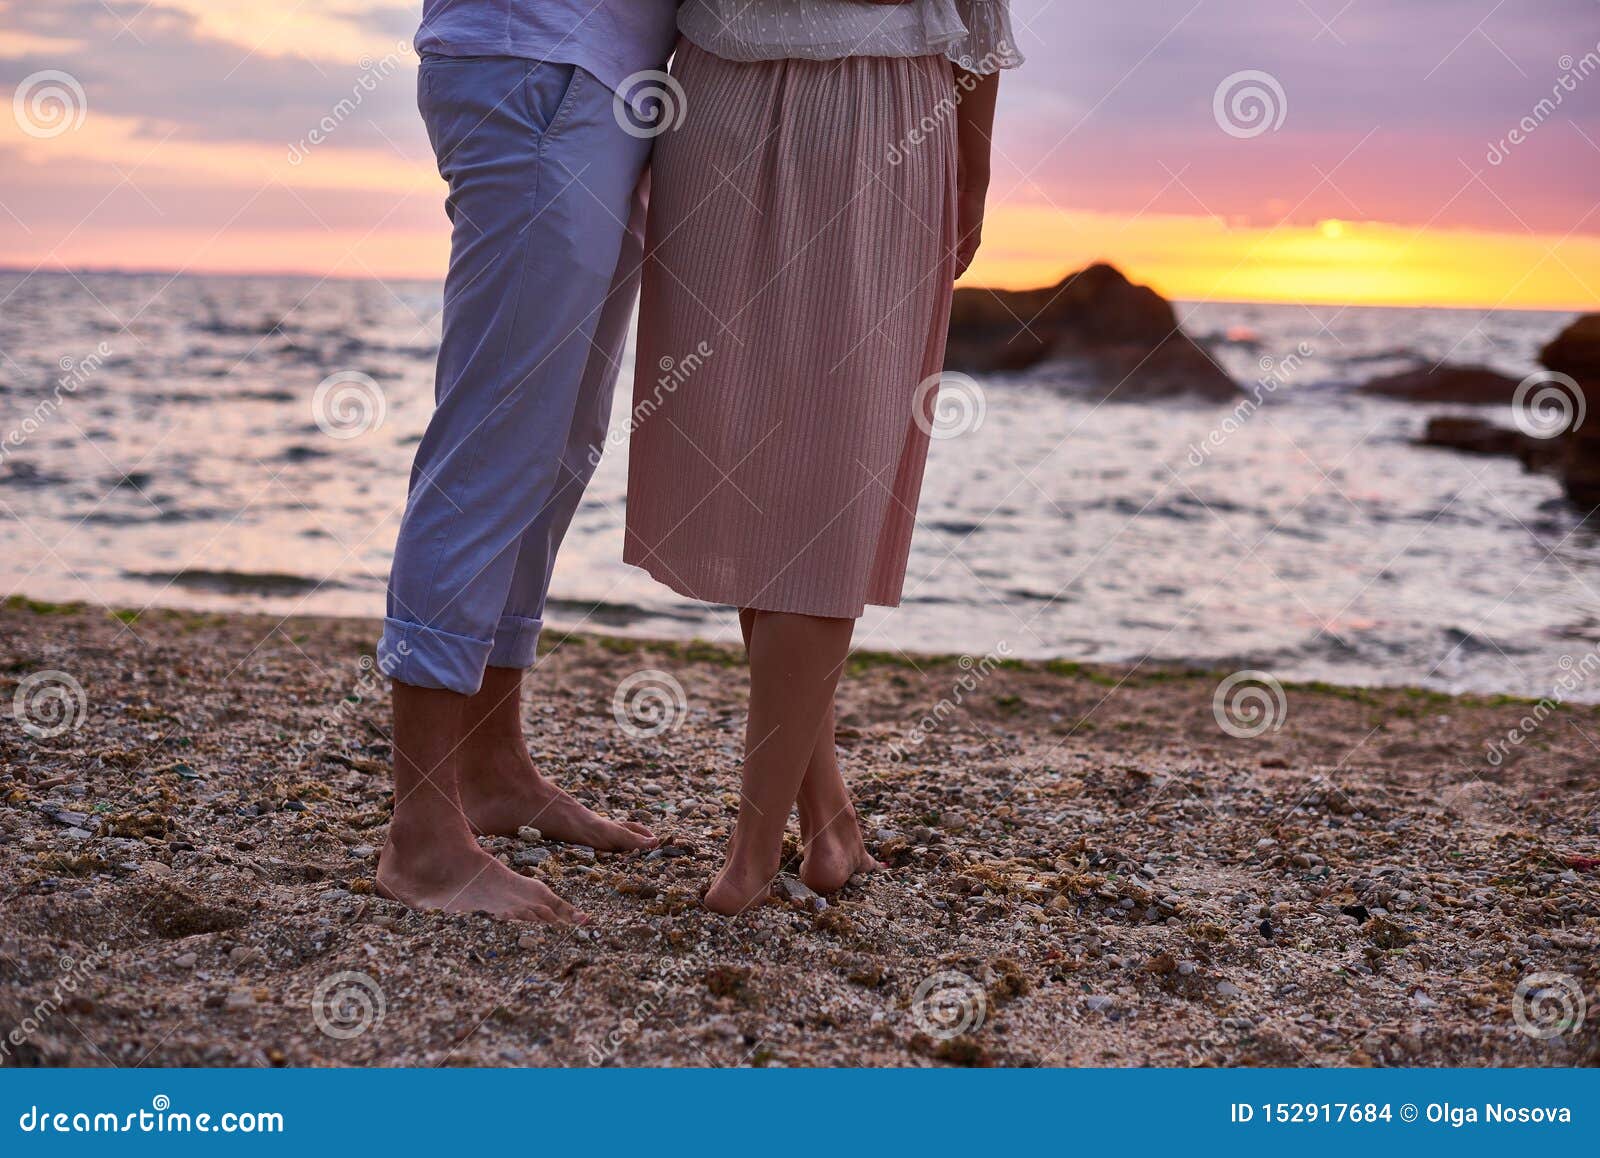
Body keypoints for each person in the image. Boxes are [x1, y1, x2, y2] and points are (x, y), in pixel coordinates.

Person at [623, 0, 1023, 914]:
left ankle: (755, 850)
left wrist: (972, 166)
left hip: (875, 109)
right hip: (718, 104)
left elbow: (977, 10)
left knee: (823, 475)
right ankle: (824, 822)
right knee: (753, 466)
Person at [373, 1, 679, 924]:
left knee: (558, 447)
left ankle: (492, 770)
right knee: (496, 440)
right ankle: (422, 837)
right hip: (537, 62)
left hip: (606, 77)